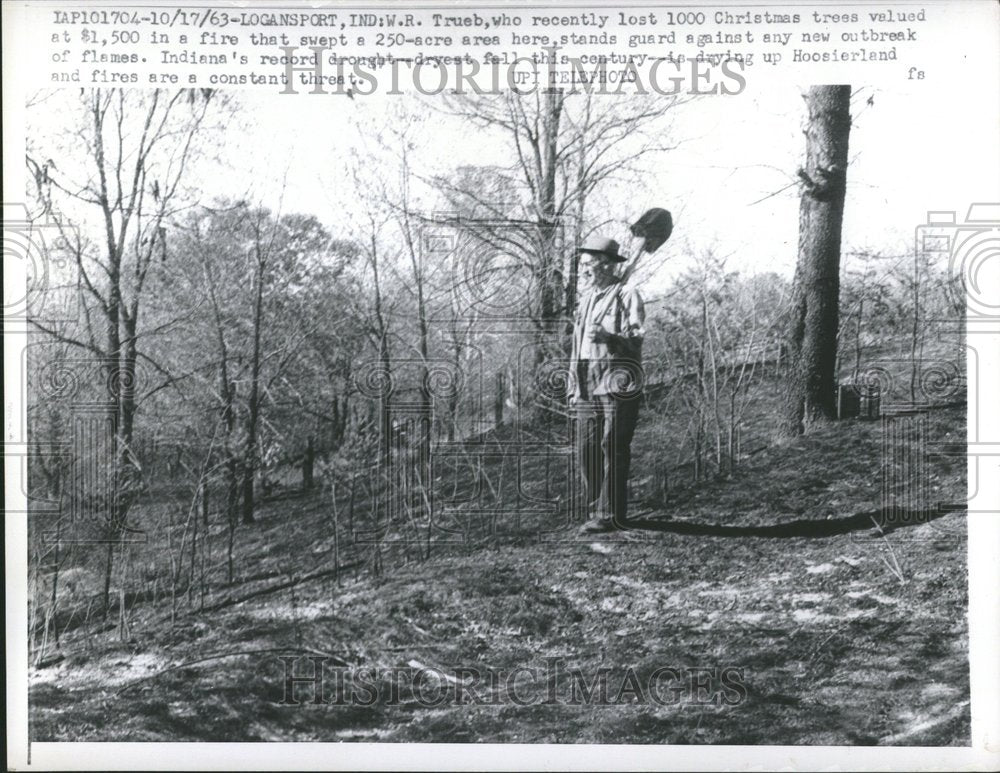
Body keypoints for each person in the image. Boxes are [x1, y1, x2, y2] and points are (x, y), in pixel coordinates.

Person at [569, 235, 646, 533]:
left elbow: (637, 340)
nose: (583, 271)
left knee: (612, 445)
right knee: (586, 447)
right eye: (582, 266)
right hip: (587, 383)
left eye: (588, 264)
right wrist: (575, 387)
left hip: (617, 381)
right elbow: (577, 347)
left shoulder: (627, 294)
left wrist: (610, 338)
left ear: (605, 266)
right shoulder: (586, 300)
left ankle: (611, 514)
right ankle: (595, 509)